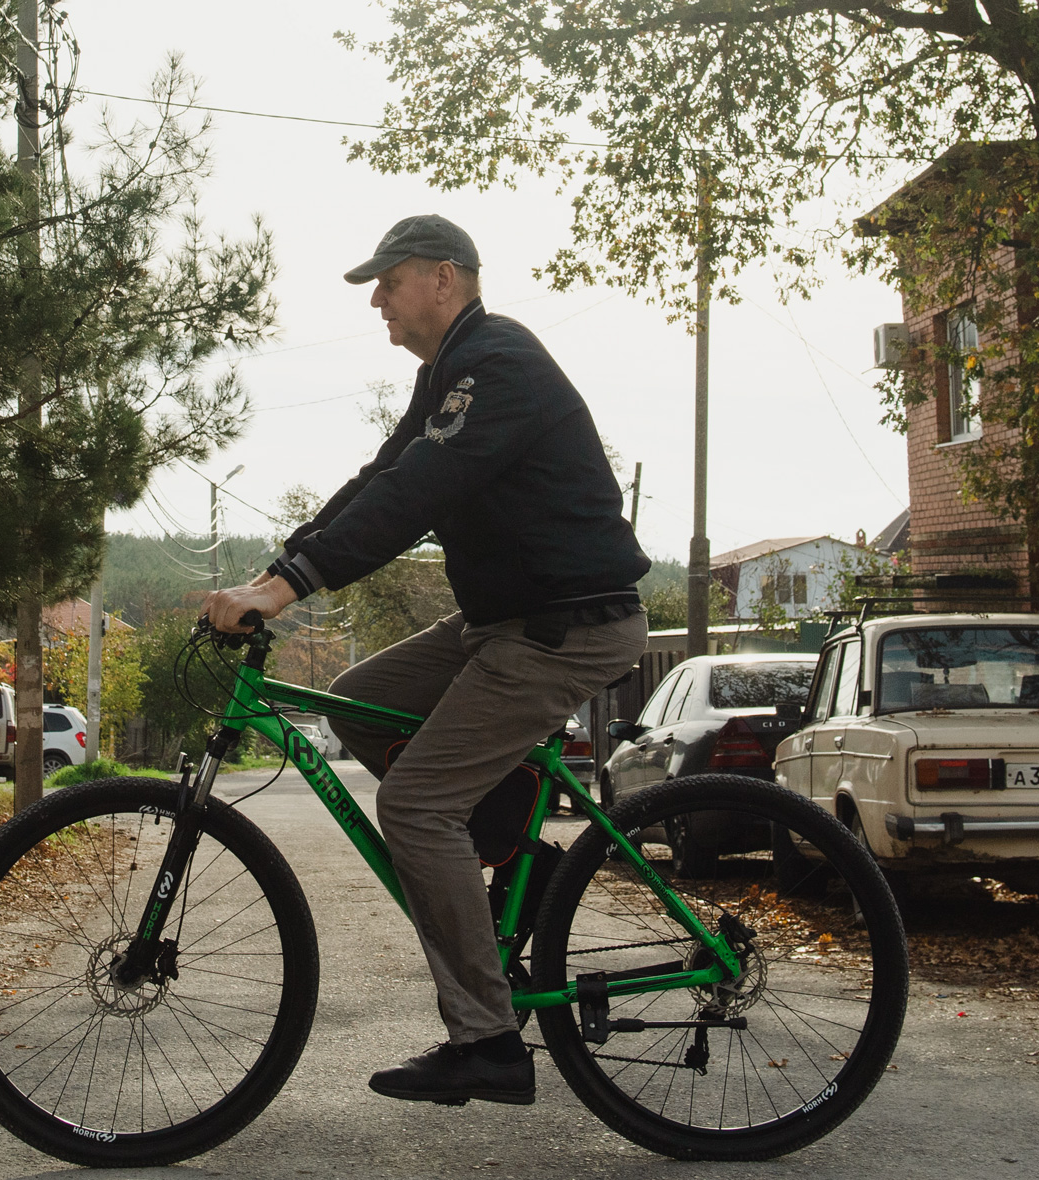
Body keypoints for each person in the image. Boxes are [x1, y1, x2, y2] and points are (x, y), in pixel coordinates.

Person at [203, 214, 650, 1106]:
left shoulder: (502, 366)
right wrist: (274, 569)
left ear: (445, 279)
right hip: (509, 619)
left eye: (389, 280)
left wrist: (290, 588)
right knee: (361, 700)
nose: (377, 300)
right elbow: (381, 478)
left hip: (570, 623)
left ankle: (487, 1040)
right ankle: (525, 861)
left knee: (414, 808)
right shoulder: (450, 376)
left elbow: (417, 494)